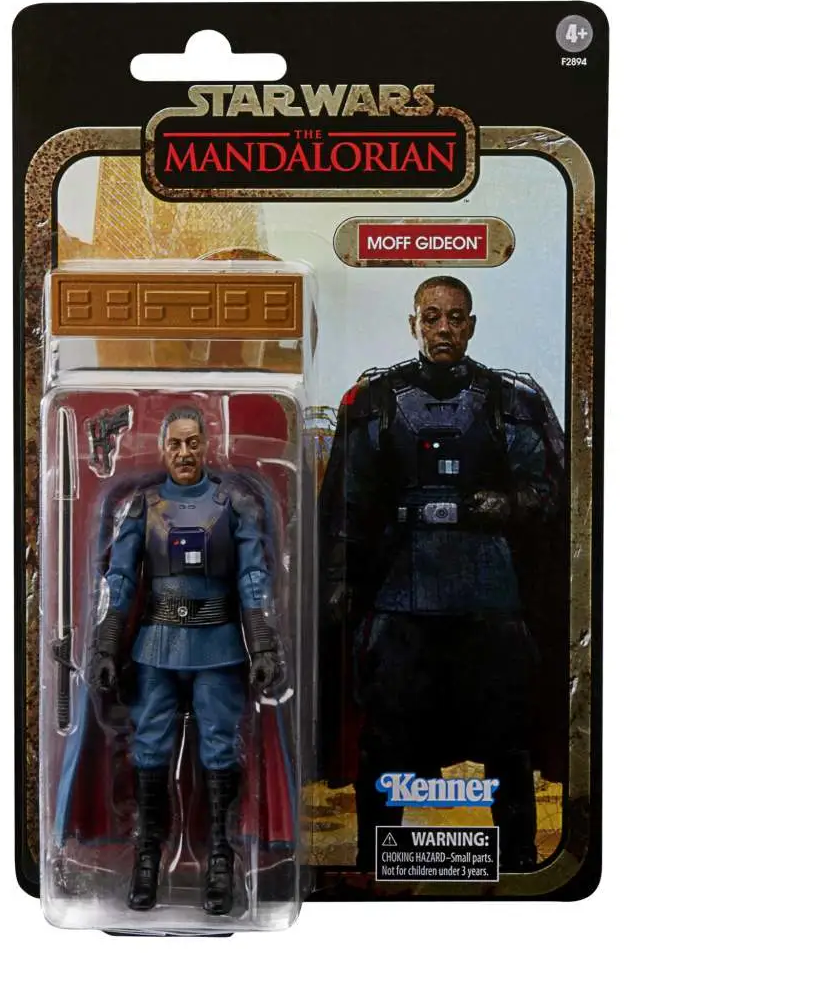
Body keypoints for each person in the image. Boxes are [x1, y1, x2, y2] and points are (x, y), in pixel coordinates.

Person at [318, 276, 566, 872]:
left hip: (488, 591)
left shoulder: (511, 400)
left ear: (471, 326)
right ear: (414, 324)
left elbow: (548, 492)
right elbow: (347, 502)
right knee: (385, 738)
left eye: (455, 318)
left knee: (506, 737)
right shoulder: (376, 400)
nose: (443, 329)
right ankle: (378, 858)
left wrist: (507, 504)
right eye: (431, 317)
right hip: (402, 591)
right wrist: (339, 579)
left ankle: (518, 860)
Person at [88, 405, 285, 913]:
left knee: (219, 747)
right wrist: (106, 644)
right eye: (175, 443)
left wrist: (263, 644)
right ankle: (147, 855)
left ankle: (221, 855)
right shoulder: (143, 506)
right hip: (156, 647)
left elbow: (253, 579)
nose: (184, 453)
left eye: (192, 443)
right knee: (150, 747)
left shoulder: (234, 505)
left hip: (217, 646)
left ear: (205, 444)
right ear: (163, 447)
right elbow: (119, 580)